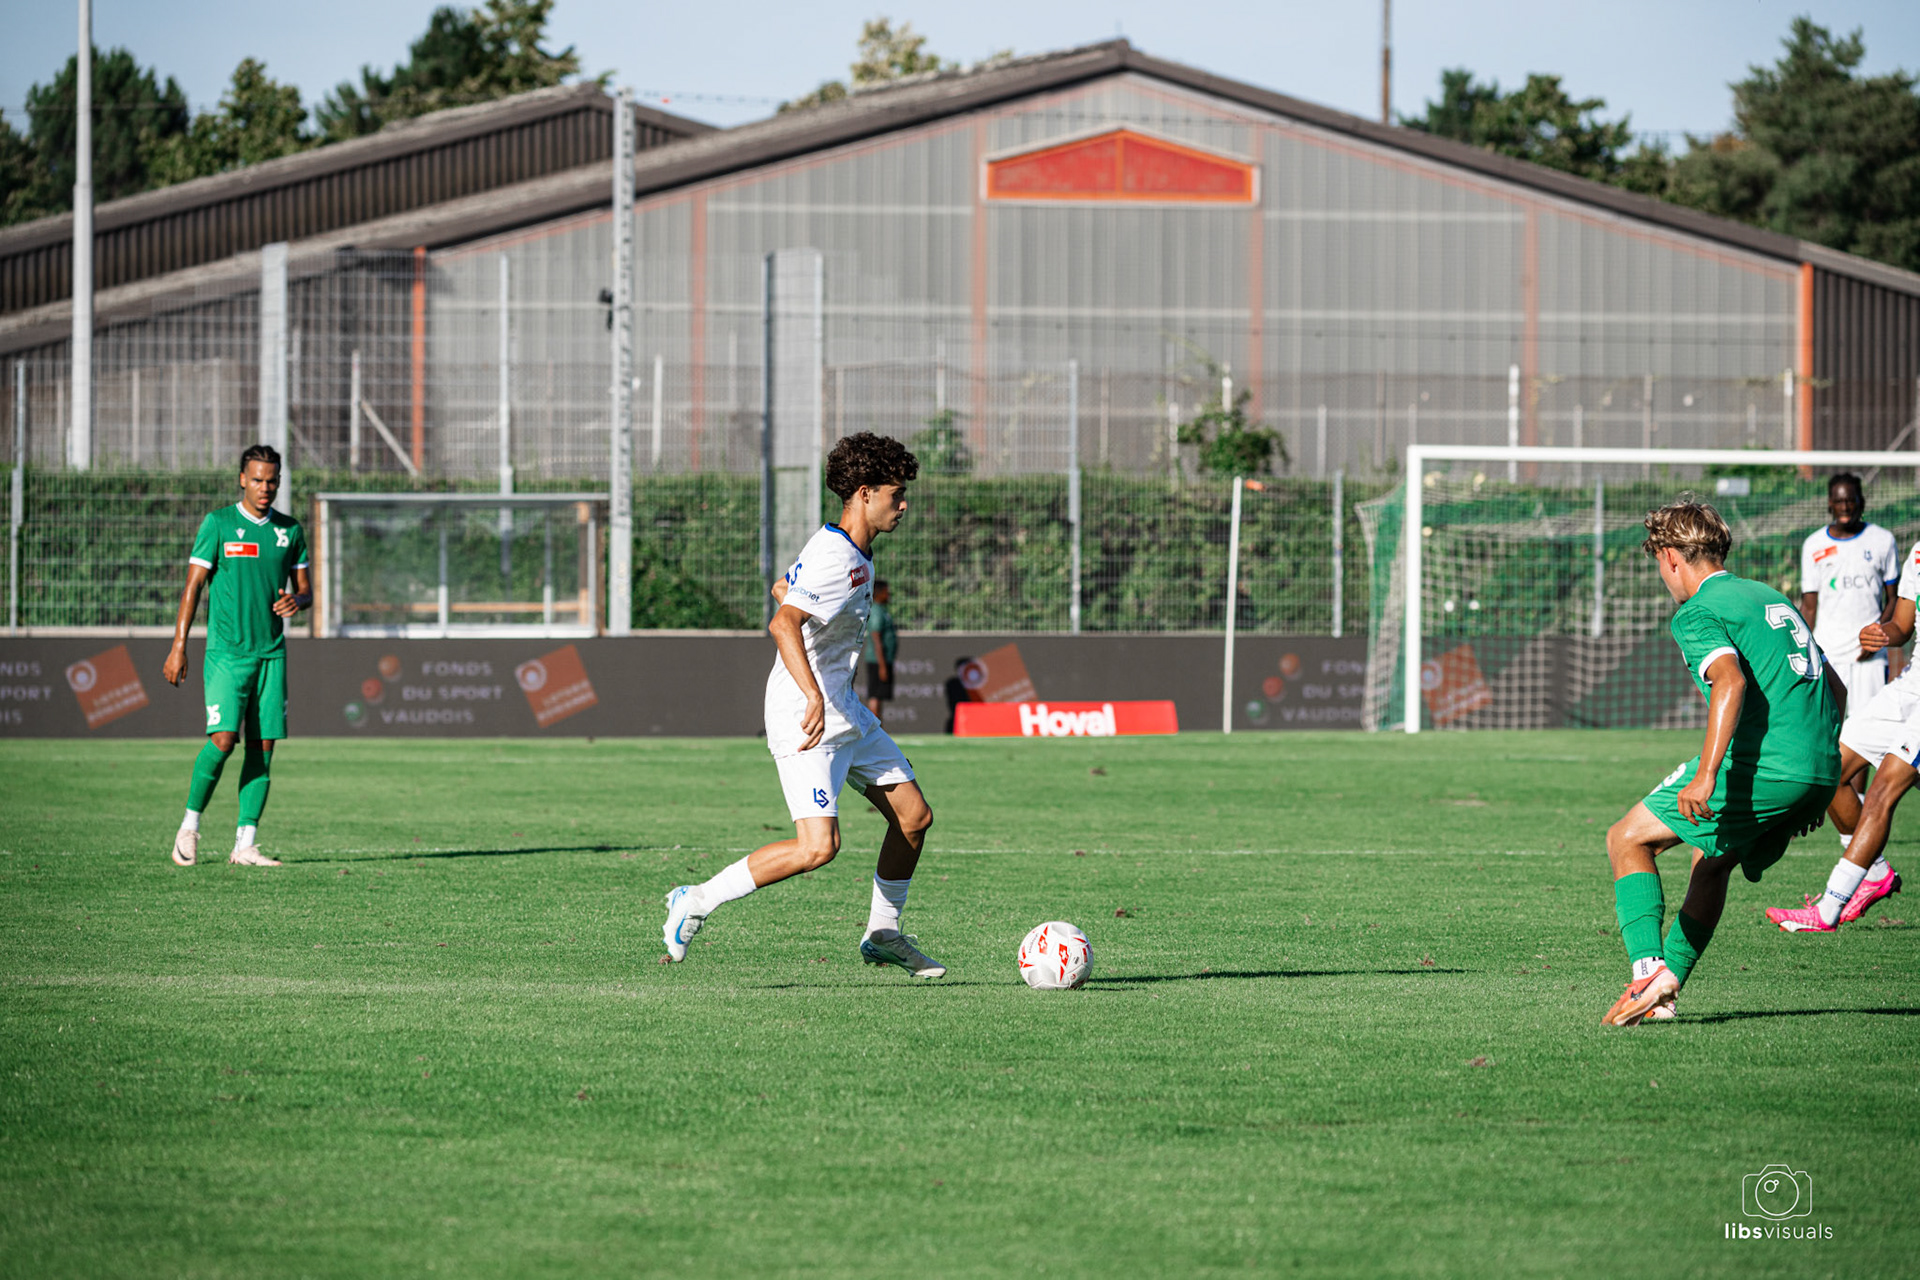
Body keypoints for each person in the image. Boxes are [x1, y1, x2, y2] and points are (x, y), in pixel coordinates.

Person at [660, 432, 943, 978]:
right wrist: (813, 692)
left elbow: (780, 589)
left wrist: (823, 679)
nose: (903, 505)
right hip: (805, 715)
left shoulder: (842, 548)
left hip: (843, 710)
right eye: (895, 493)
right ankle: (692, 901)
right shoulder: (837, 555)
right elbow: (782, 620)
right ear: (864, 493)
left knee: (913, 817)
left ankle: (883, 933)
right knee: (818, 848)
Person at [1600, 498, 1843, 1026]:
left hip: (1769, 765)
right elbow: (1836, 687)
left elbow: (1729, 681)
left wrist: (1707, 775)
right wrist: (1821, 780)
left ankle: (1647, 975)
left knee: (1626, 838)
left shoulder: (1699, 611)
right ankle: (1664, 994)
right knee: (1710, 863)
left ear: (1670, 557)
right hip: (1820, 767)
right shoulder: (1768, 597)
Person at [162, 445, 311, 868]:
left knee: (262, 749)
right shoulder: (219, 524)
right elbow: (193, 587)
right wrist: (178, 647)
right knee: (224, 741)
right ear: (242, 479)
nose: (266, 488)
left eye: (273, 480)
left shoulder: (289, 531)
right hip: (227, 652)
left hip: (271, 655)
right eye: (258, 479)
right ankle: (188, 828)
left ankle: (245, 843)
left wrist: (297, 601)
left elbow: (306, 589)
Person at [1763, 536, 1919, 932]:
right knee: (1829, 766)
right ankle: (1875, 873)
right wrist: (1882, 633)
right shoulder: (1918, 552)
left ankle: (1828, 909)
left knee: (1883, 787)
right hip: (1909, 687)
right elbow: (1902, 624)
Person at [1799, 473, 1899, 707]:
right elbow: (1809, 607)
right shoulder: (1814, 545)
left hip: (1869, 657)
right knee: (1829, 728)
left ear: (1860, 502)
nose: (1845, 506)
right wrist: (1805, 649)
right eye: (1839, 501)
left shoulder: (1883, 540)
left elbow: (1894, 600)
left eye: (1850, 500)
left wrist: (1875, 637)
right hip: (1829, 654)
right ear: (1830, 504)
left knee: (1869, 729)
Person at [864, 579, 897, 720]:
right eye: (886, 592)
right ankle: (873, 728)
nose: (888, 595)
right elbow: (876, 637)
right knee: (875, 696)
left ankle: (878, 727)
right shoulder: (876, 611)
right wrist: (882, 665)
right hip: (877, 660)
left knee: (879, 696)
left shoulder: (882, 610)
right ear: (879, 593)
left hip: (882, 660)